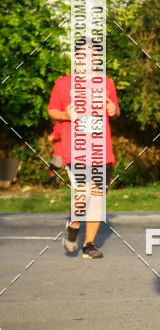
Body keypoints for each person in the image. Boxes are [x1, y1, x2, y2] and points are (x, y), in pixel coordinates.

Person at [48, 38, 120, 259]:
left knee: (97, 196)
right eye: (84, 55)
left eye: (93, 55)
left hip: (101, 149)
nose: (89, 59)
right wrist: (67, 115)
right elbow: (52, 111)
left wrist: (113, 110)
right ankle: (74, 224)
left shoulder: (107, 83)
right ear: (77, 58)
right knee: (82, 192)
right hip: (76, 148)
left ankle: (89, 245)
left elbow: (116, 110)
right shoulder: (63, 84)